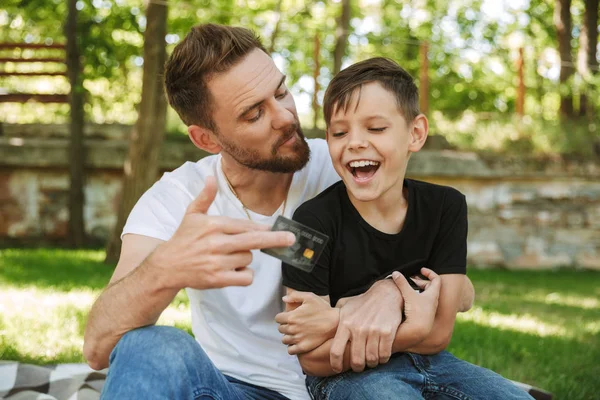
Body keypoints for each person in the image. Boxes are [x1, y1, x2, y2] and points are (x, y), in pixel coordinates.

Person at [83, 24, 459, 400]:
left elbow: (456, 281)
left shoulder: (347, 165)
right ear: (207, 139)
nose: (284, 117)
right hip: (234, 390)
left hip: (351, 384)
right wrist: (166, 267)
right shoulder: (178, 199)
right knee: (151, 346)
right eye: (253, 114)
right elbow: (99, 348)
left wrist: (392, 290)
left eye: (281, 92)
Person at [276, 57, 533, 399]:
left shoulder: (448, 206)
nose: (354, 142)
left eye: (376, 128)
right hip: (343, 376)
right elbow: (311, 356)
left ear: (416, 133)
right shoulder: (303, 223)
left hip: (433, 362)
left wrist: (341, 320)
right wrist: (412, 332)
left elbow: (440, 333)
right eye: (340, 132)